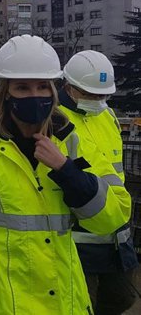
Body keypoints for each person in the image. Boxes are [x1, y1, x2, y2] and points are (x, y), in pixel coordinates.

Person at [0, 35, 131, 315]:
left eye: (43, 87)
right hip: (8, 300)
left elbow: (111, 218)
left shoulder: (70, 141)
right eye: (22, 87)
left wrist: (67, 171)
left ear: (54, 91)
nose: (35, 95)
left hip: (65, 298)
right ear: (6, 93)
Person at [59, 50, 138, 315]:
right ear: (69, 88)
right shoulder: (54, 120)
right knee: (81, 306)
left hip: (115, 231)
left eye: (102, 95)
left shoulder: (108, 117)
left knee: (122, 299)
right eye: (91, 94)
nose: (98, 100)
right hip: (77, 237)